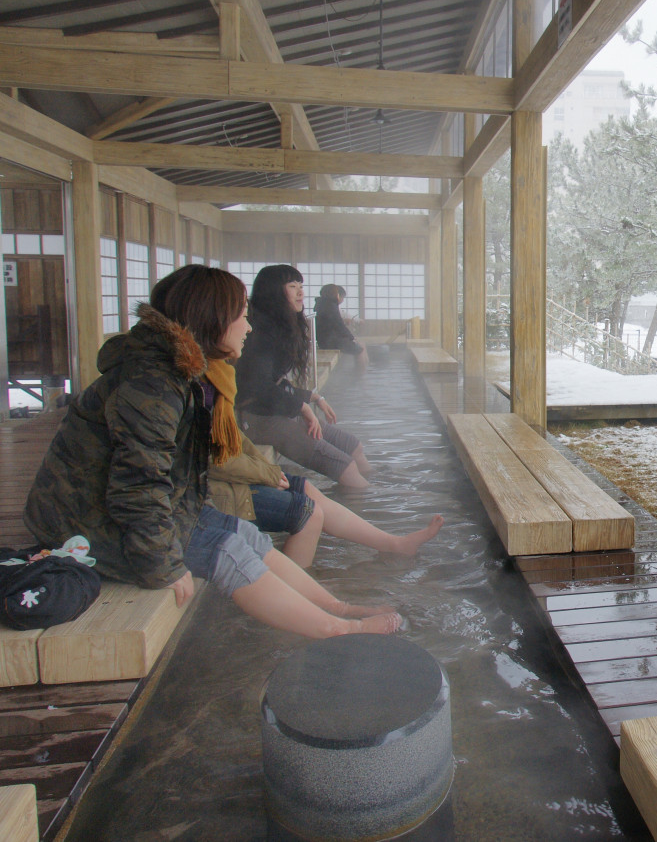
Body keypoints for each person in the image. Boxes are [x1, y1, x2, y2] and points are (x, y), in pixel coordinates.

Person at [23, 265, 400, 637]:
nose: (248, 327)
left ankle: (336, 607)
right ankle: (337, 629)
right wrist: (164, 566)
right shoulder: (152, 384)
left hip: (128, 507)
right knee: (228, 550)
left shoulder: (181, 371)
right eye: (240, 317)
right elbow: (137, 486)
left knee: (245, 536)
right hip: (84, 523)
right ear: (212, 319)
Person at [208, 432, 443, 569]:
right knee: (307, 513)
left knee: (306, 488)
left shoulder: (219, 376)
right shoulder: (203, 384)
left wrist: (267, 470)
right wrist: (267, 474)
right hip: (211, 490)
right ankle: (294, 599)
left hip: (234, 476)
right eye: (241, 340)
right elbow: (212, 459)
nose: (245, 342)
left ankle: (394, 544)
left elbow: (238, 443)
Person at [235, 265, 372, 489]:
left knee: (353, 447)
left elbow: (273, 382)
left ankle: (377, 488)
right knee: (345, 468)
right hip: (256, 417)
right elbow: (257, 387)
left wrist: (313, 398)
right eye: (292, 286)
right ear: (274, 292)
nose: (301, 292)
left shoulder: (280, 325)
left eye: (301, 286)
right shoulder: (259, 330)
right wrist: (302, 406)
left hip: (274, 408)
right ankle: (370, 504)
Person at [314, 284, 368, 370]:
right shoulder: (330, 306)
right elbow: (340, 326)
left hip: (325, 340)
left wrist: (350, 337)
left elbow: (335, 324)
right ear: (334, 294)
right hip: (332, 342)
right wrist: (351, 338)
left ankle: (363, 370)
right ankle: (361, 375)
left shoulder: (321, 304)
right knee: (360, 350)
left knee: (361, 345)